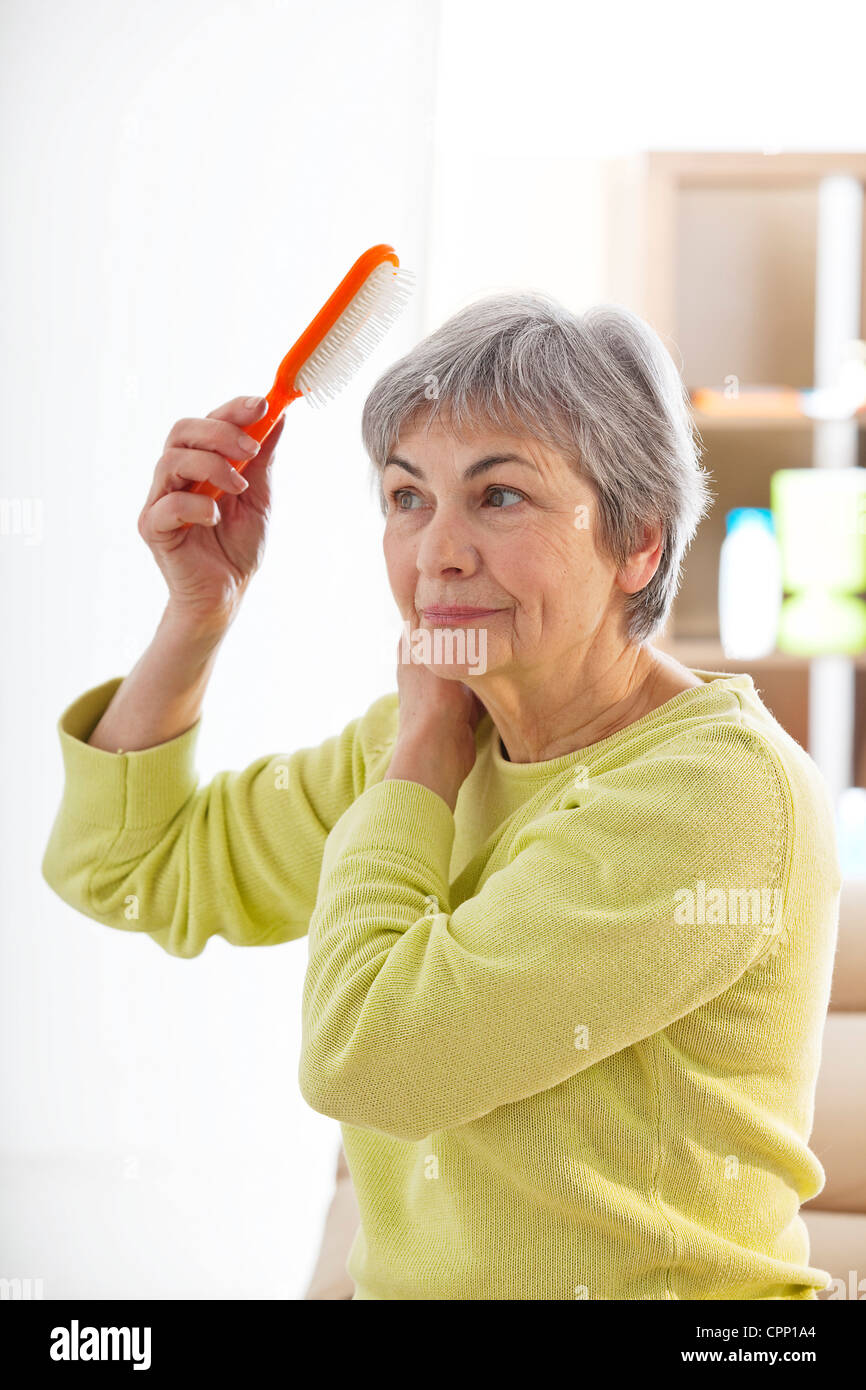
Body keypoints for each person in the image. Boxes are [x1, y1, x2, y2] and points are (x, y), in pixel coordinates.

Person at [42, 293, 841, 1300]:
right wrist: (198, 614)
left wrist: (420, 753)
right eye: (406, 497)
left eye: (497, 496)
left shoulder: (718, 791)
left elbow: (373, 1060)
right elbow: (126, 868)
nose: (435, 555)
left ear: (638, 538)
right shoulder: (432, 732)